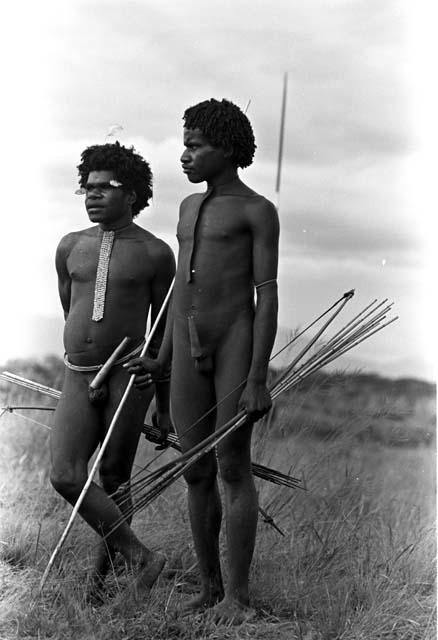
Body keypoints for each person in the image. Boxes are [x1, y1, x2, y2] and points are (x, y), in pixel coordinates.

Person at [132, 98, 279, 623]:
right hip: (185, 344)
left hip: (234, 342)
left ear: (227, 149)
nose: (185, 155)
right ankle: (209, 587)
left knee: (232, 466)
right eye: (185, 144)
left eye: (195, 146)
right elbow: (179, 291)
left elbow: (266, 295)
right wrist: (161, 360)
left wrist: (258, 378)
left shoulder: (257, 210)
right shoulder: (187, 208)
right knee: (195, 468)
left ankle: (238, 599)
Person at [50, 142, 175, 601]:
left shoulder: (156, 253)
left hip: (128, 375)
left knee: (115, 480)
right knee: (65, 473)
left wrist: (162, 404)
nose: (93, 195)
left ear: (134, 194)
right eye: (88, 187)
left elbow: (161, 335)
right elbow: (70, 309)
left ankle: (98, 587)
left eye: (106, 188)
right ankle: (141, 556)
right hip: (77, 374)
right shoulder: (69, 246)